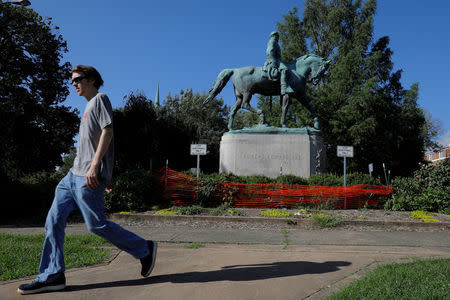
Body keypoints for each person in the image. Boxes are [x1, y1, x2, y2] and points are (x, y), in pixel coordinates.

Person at [17, 65, 157, 295]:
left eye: (78, 79)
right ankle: (52, 275)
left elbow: (108, 133)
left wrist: (96, 168)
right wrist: (107, 172)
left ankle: (145, 249)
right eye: (72, 80)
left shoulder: (100, 99)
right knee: (53, 221)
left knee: (96, 224)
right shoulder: (87, 107)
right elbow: (101, 142)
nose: (74, 84)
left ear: (92, 80)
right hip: (72, 176)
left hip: (87, 177)